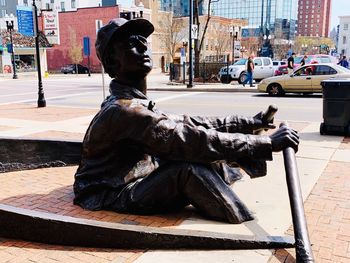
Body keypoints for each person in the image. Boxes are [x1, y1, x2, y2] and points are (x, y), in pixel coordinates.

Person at [73, 18, 299, 224]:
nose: (144, 47)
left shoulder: (135, 103)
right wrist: (267, 144)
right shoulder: (124, 111)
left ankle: (227, 177)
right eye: (133, 44)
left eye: (144, 41)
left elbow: (189, 122)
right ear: (113, 61)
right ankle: (243, 220)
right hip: (111, 193)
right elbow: (189, 140)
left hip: (137, 175)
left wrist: (247, 123)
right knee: (188, 168)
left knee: (205, 155)